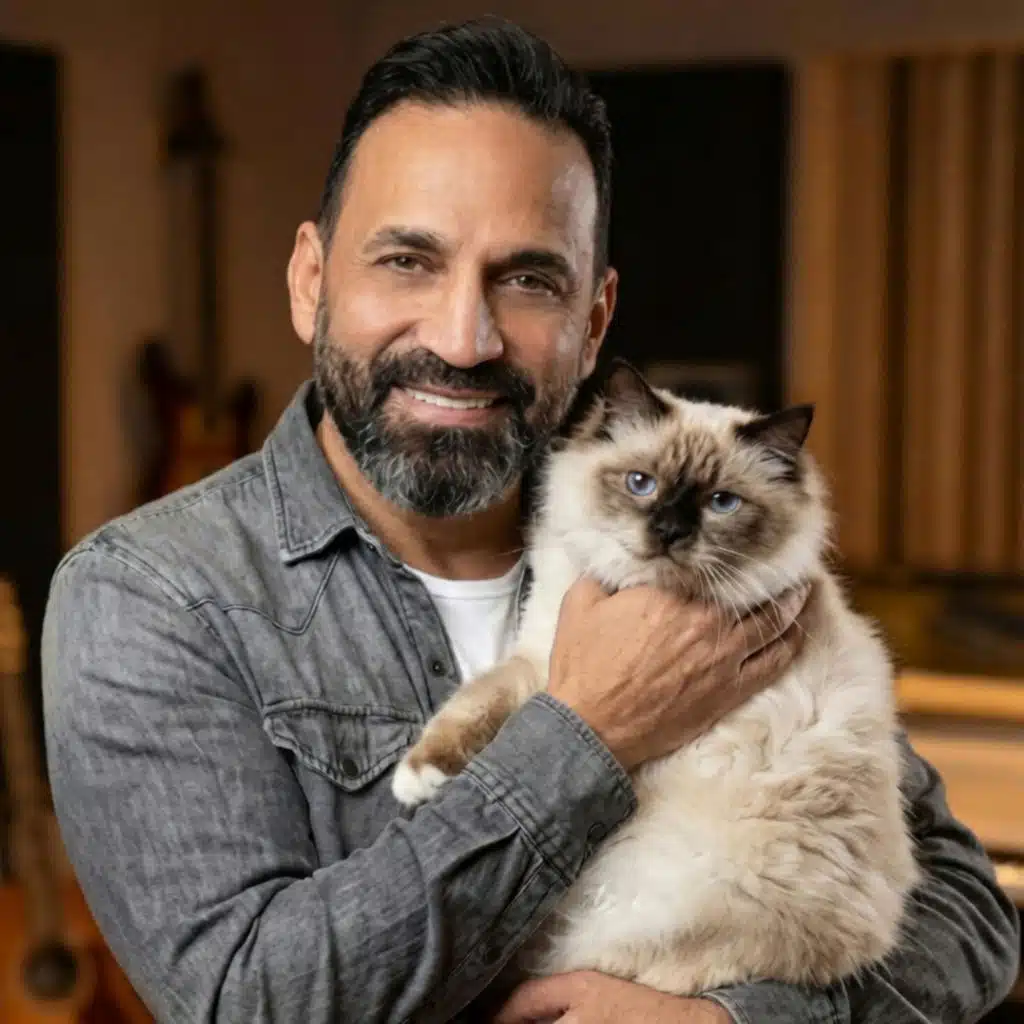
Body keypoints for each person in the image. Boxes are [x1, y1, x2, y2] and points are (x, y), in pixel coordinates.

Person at [42, 17, 1018, 1024]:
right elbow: (250, 1001)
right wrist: (589, 732)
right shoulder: (149, 597)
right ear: (310, 281)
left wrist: (730, 1021)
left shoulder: (719, 576)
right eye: (408, 261)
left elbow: (971, 920)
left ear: (592, 324)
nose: (464, 338)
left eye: (527, 280)